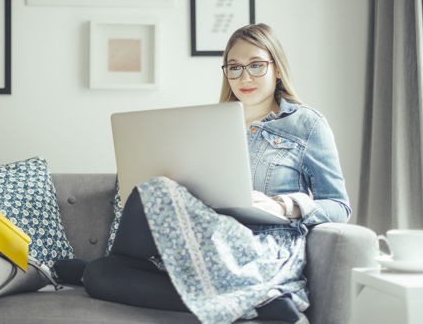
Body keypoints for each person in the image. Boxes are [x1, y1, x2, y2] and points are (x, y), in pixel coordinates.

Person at [54, 23, 350, 324]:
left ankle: (253, 297)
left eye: (256, 65)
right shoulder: (211, 123)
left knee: (99, 269)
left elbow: (339, 206)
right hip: (208, 243)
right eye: (234, 68)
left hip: (260, 250)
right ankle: (256, 304)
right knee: (104, 269)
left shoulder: (306, 124)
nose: (244, 77)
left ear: (276, 68)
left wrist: (284, 205)